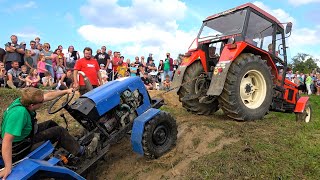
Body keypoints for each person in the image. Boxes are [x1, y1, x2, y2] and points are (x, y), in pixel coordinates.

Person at [0, 87, 99, 179]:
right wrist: (8, 167)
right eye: (41, 102)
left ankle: (67, 147)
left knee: (50, 124)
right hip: (20, 146)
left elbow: (47, 96)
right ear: (32, 105)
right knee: (58, 131)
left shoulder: (23, 101)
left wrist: (65, 91)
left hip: (27, 134)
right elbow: (7, 141)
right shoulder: (19, 114)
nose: (43, 102)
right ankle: (83, 152)